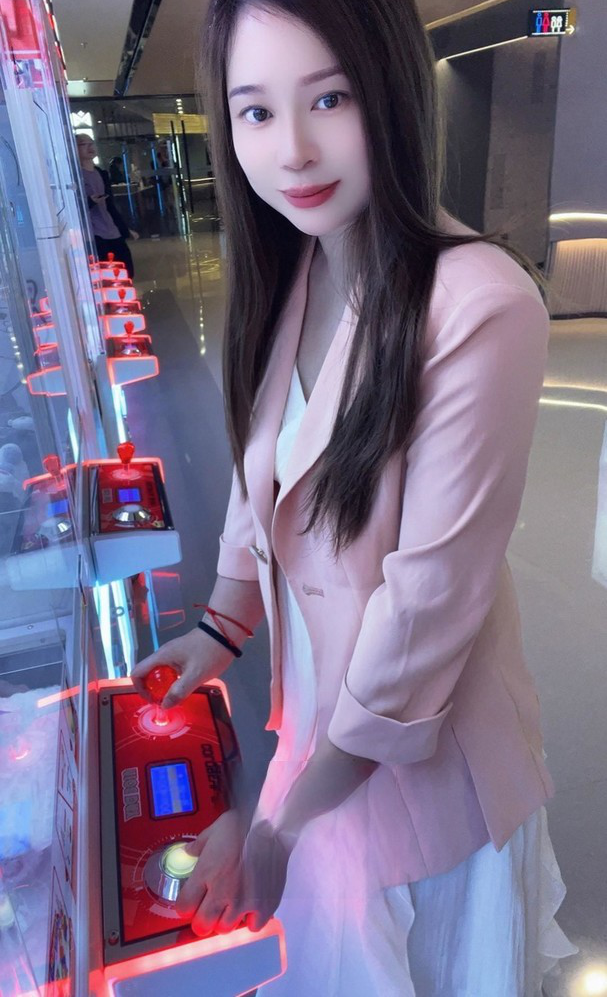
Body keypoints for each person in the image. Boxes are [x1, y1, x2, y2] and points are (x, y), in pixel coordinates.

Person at [132, 1, 576, 993]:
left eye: (328, 98)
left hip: (420, 773)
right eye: (255, 111)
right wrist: (220, 626)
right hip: (316, 736)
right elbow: (267, 467)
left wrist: (282, 823)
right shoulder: (303, 263)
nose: (291, 148)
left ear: (391, 92)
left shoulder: (479, 304)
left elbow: (423, 614)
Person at [75, 134, 138, 278]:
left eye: (92, 143)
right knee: (106, 275)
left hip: (112, 230)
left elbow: (110, 206)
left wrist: (124, 229)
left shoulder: (101, 173)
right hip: (93, 235)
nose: (90, 147)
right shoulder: (74, 176)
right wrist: (90, 201)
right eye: (83, 144)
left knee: (126, 271)